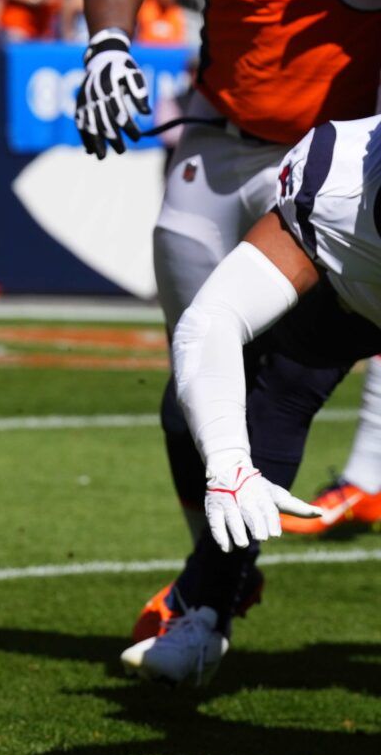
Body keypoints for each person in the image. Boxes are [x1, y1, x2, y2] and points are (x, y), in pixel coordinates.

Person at [75, 0, 381, 682]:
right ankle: (224, 571)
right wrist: (108, 43)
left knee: (275, 379)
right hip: (227, 136)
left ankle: (207, 600)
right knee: (196, 384)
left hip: (361, 163)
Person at [124, 116, 381, 684]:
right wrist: (228, 462)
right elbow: (211, 323)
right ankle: (207, 610)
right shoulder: (336, 179)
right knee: (269, 401)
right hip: (357, 292)